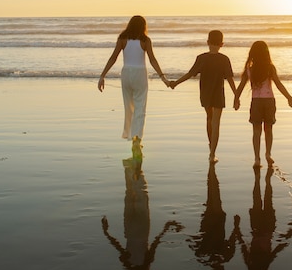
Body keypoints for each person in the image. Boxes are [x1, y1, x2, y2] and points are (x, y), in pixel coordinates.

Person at [98, 15, 170, 161]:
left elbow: (113, 58)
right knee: (140, 108)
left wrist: (102, 76)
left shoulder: (122, 38)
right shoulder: (145, 40)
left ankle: (132, 137)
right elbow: (152, 59)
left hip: (126, 74)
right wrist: (163, 77)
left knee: (129, 107)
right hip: (140, 74)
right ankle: (137, 140)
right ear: (143, 26)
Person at [169, 30, 237, 163]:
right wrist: (236, 96)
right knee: (216, 123)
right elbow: (230, 79)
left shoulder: (201, 58)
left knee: (209, 119)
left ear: (207, 42)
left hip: (205, 94)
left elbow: (189, 74)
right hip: (218, 94)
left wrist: (175, 83)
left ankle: (210, 145)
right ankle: (212, 154)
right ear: (222, 44)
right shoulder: (224, 59)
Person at [234, 41, 292, 167]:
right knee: (269, 129)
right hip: (269, 101)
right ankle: (268, 153)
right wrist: (289, 97)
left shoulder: (249, 70)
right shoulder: (270, 68)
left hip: (256, 101)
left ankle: (257, 158)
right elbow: (278, 84)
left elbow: (240, 86)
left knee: (256, 131)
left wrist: (236, 99)